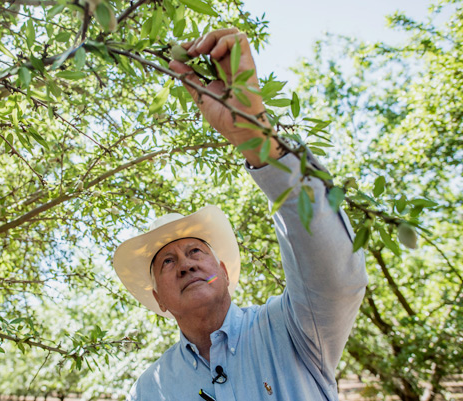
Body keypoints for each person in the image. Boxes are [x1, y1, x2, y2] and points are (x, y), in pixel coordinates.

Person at [113, 28, 368, 400]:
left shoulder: (292, 329)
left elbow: (336, 278)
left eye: (196, 251)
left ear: (226, 272)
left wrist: (259, 141)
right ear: (159, 301)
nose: (185, 264)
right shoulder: (150, 390)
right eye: (167, 262)